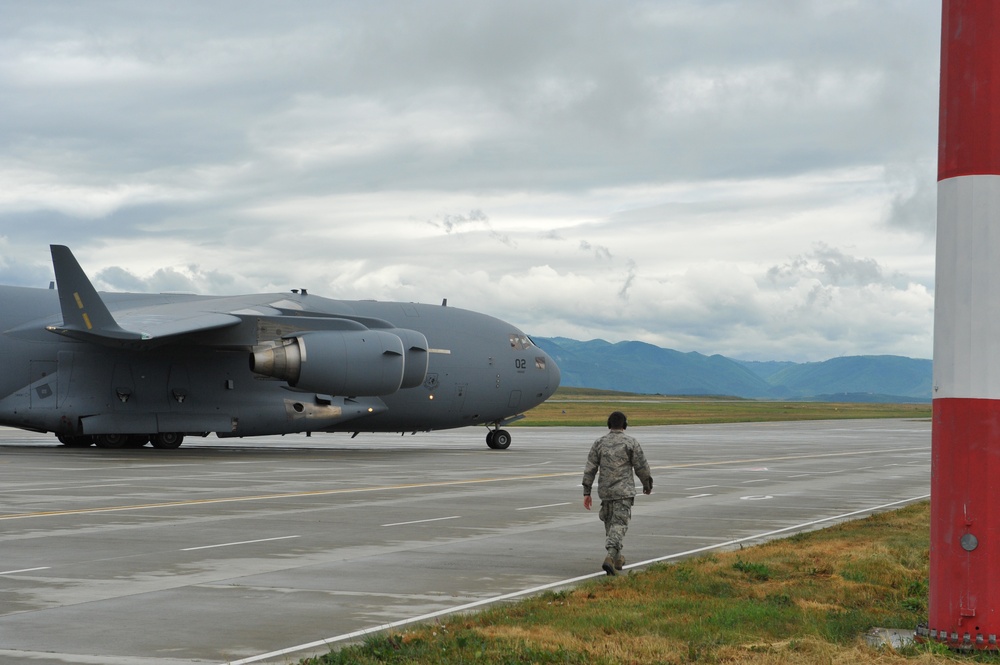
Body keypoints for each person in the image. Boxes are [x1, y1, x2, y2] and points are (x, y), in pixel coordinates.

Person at [582, 411, 653, 576]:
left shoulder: (599, 443)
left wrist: (587, 491)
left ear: (609, 424)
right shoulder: (630, 442)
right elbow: (641, 466)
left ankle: (618, 558)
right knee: (619, 525)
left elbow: (590, 468)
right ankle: (610, 556)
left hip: (605, 493)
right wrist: (647, 484)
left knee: (611, 525)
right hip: (623, 492)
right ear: (625, 425)